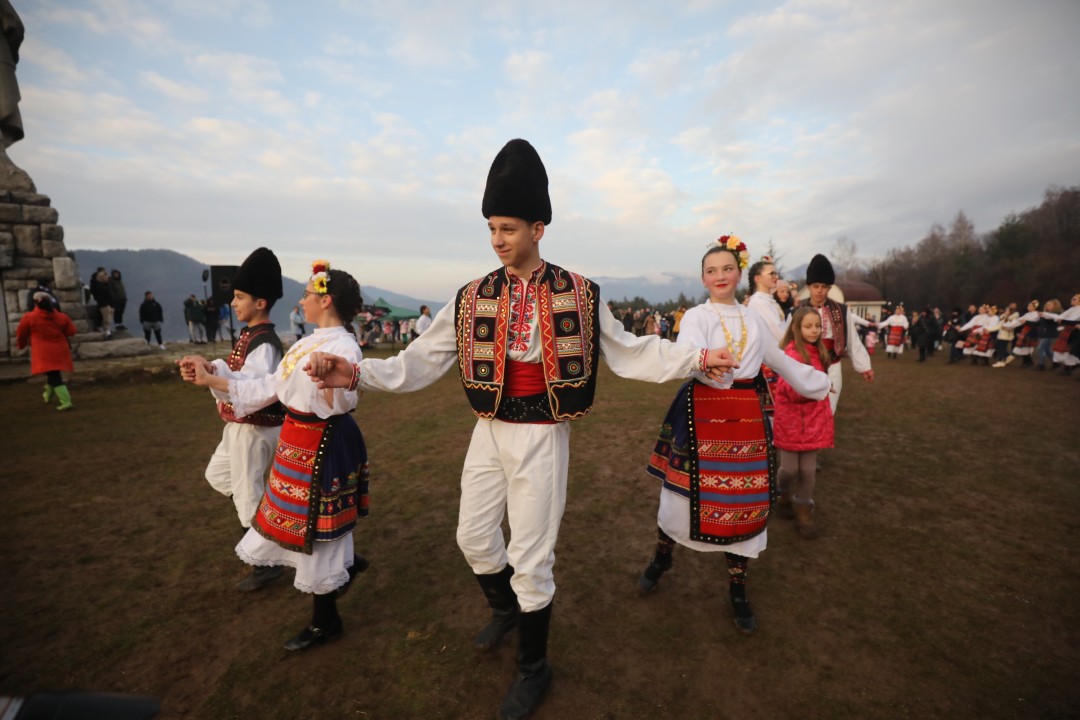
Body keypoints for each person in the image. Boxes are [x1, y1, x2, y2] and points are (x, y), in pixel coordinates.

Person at [301, 139, 737, 720]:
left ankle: (535, 667)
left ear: (538, 227)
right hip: (488, 429)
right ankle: (506, 611)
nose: (497, 240)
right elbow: (419, 363)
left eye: (507, 228)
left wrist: (695, 360)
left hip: (541, 435)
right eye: (490, 229)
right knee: (473, 537)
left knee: (532, 556)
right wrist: (353, 369)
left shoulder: (578, 293)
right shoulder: (472, 295)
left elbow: (630, 352)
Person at [638, 236, 830, 635]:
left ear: (739, 273)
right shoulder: (696, 316)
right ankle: (662, 556)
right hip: (702, 414)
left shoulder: (753, 317)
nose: (720, 276)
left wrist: (814, 381)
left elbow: (775, 359)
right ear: (704, 278)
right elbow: (689, 355)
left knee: (743, 499)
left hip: (746, 419)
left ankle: (738, 589)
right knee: (680, 499)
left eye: (727, 268)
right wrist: (708, 367)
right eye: (711, 270)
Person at [181, 260, 369, 651]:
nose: (301, 301)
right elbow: (267, 386)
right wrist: (212, 375)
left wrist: (328, 374)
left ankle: (325, 622)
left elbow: (346, 397)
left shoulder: (342, 346)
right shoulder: (305, 342)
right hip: (298, 439)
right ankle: (342, 579)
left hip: (324, 441)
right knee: (304, 524)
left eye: (306, 294)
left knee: (318, 532)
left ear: (325, 299)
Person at [192, 248, 288, 592]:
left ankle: (267, 562)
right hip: (239, 426)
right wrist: (210, 367)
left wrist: (213, 379)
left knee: (247, 495)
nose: (233, 303)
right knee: (219, 477)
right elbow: (236, 373)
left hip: (256, 429)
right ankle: (276, 523)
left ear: (260, 303)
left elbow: (255, 387)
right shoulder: (249, 336)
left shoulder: (264, 342)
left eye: (239, 297)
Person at [772, 306, 834, 539]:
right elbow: (790, 390)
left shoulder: (821, 353)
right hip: (791, 422)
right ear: (796, 328)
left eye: (817, 326)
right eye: (808, 326)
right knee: (789, 469)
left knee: (807, 471)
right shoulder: (789, 355)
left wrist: (823, 385)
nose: (814, 330)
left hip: (814, 422)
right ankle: (782, 490)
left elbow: (820, 383)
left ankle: (803, 510)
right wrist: (821, 387)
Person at [804, 254, 873, 412]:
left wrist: (864, 367)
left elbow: (853, 341)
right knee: (807, 414)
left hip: (833, 368)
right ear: (808, 286)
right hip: (805, 370)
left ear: (829, 288)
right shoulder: (798, 311)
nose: (820, 291)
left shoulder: (841, 310)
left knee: (829, 411)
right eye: (815, 286)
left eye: (824, 286)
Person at [16, 291, 77, 411]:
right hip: (60, 349)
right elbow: (72, 331)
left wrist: (21, 345)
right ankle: (47, 395)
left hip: (43, 351)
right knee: (52, 373)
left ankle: (66, 401)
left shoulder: (29, 317)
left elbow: (21, 334)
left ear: (35, 302)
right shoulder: (62, 316)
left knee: (54, 375)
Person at [1044, 293, 1080, 375]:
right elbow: (1060, 317)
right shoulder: (1071, 309)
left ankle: (1069, 367)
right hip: (1067, 330)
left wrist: (1063, 321)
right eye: (1072, 299)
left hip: (1074, 332)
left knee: (1069, 350)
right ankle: (1066, 367)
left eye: (1074, 299)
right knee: (1062, 349)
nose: (1071, 300)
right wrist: (1045, 314)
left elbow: (1075, 322)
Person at [1003, 300, 1041, 368]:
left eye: (1030, 306)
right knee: (1024, 347)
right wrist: (1008, 325)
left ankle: (1027, 362)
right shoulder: (1027, 314)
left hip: (1031, 332)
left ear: (1035, 307)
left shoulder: (1036, 314)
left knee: (1026, 347)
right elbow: (1018, 321)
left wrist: (1026, 322)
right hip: (1026, 331)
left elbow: (1034, 323)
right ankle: (1027, 362)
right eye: (1028, 306)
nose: (1028, 307)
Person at [89, 267, 115, 339]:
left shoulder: (106, 285)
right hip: (104, 304)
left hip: (110, 304)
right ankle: (107, 332)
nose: (107, 278)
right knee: (106, 319)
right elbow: (100, 295)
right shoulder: (99, 286)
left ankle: (108, 330)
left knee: (109, 318)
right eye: (105, 276)